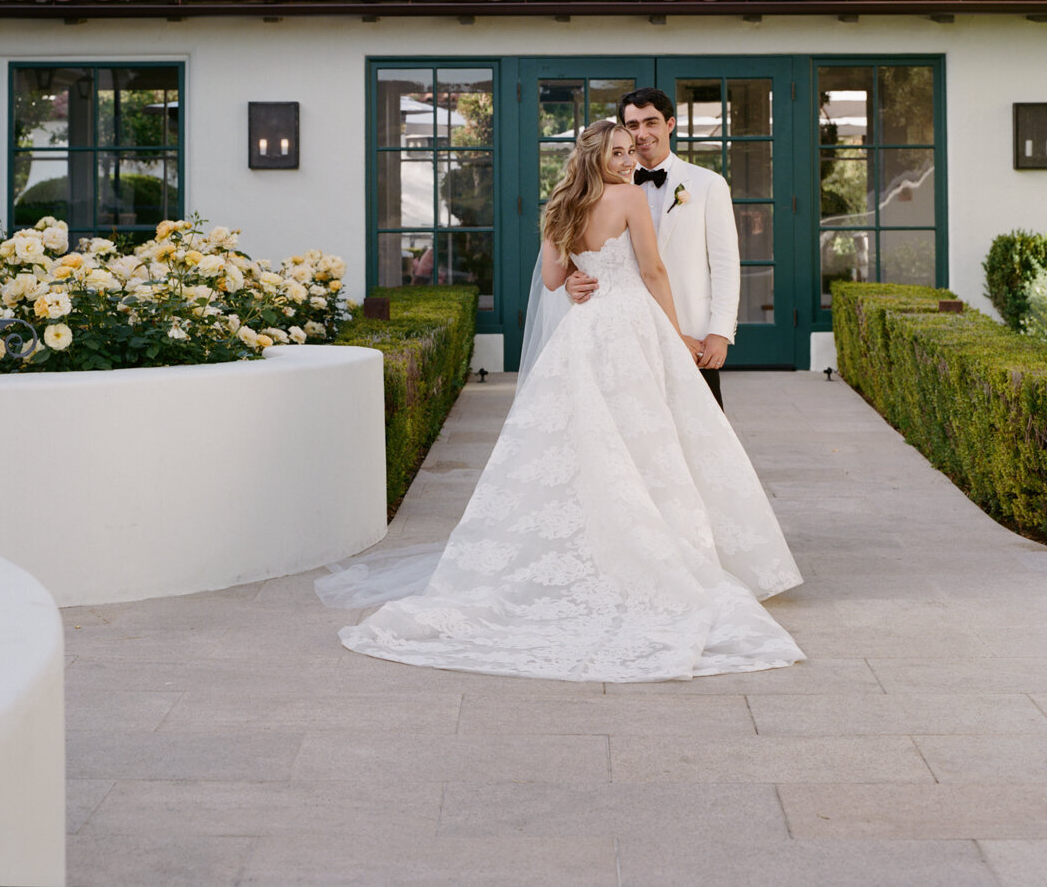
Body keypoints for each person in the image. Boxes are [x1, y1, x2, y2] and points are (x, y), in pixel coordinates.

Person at [318, 119, 803, 682]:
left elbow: (552, 279)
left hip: (584, 331)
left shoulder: (560, 205)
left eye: (630, 152)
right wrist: (675, 336)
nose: (628, 161)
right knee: (645, 435)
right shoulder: (627, 198)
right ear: (597, 157)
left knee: (586, 440)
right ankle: (649, 547)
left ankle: (601, 541)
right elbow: (653, 270)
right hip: (630, 327)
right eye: (619, 152)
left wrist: (576, 273)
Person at [567, 88, 738, 406]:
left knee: (702, 436)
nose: (642, 134)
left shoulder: (708, 184)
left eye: (651, 122)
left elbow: (726, 265)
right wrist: (570, 279)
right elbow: (587, 253)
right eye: (633, 125)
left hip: (690, 333)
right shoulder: (602, 191)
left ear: (670, 124)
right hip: (624, 336)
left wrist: (720, 332)